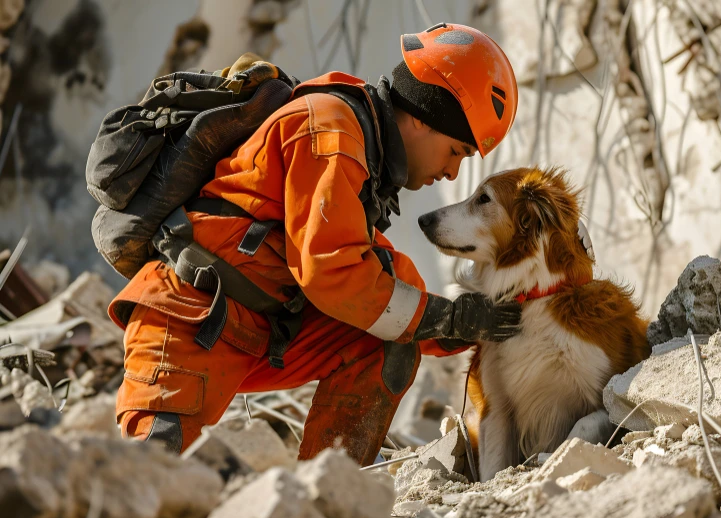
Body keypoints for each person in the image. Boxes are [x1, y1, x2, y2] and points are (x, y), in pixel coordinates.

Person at [108, 23, 520, 465]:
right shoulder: (332, 132)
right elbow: (333, 272)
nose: (453, 172)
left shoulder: (358, 148)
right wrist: (447, 317)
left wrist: (457, 327)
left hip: (254, 327)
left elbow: (378, 275)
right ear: (424, 116)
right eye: (457, 151)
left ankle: (328, 487)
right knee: (148, 475)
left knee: (386, 342)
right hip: (188, 320)